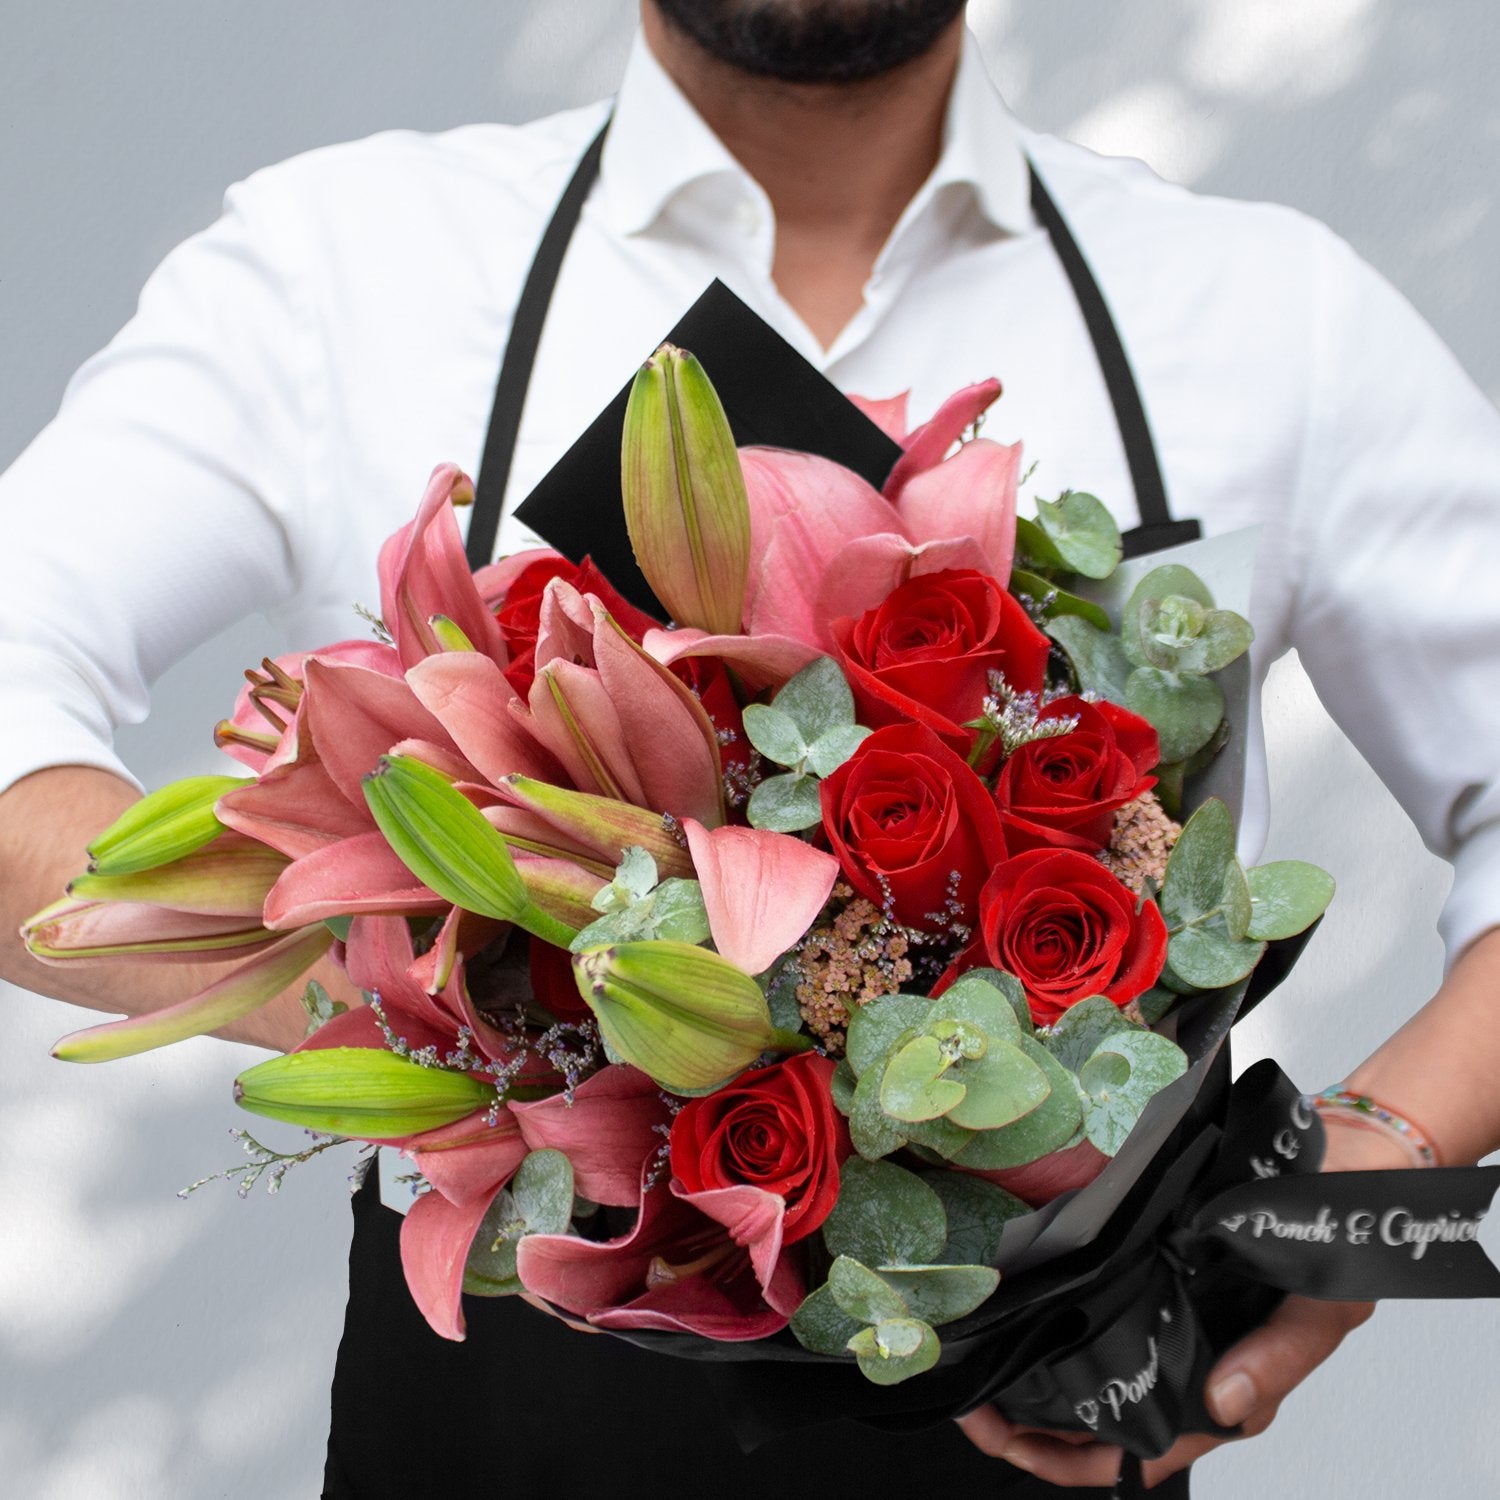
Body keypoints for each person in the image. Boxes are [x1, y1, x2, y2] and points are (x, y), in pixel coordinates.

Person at [2, 1, 1498, 1493]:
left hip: (1055, 1403)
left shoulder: (1269, 304)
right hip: (504, 1429)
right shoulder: (349, 260)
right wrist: (447, 1016)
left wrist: (1372, 1175)